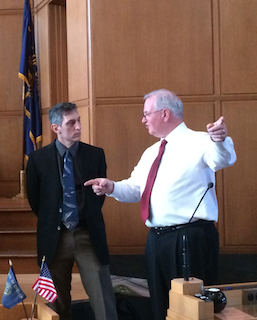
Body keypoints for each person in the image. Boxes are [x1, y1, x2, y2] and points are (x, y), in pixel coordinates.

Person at [85, 89, 237, 320]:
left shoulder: (201, 141)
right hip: (157, 239)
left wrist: (220, 140)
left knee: (193, 308)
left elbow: (223, 159)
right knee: (160, 305)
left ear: (165, 114)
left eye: (147, 113)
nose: (143, 119)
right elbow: (136, 189)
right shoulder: (152, 152)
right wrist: (112, 187)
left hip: (190, 238)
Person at [26, 102, 118, 320]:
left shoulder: (95, 155)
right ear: (56, 128)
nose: (78, 127)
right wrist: (56, 221)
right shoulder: (38, 160)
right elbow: (36, 200)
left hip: (87, 234)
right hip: (54, 238)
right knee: (57, 302)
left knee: (102, 296)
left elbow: (99, 197)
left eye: (78, 121)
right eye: (71, 123)